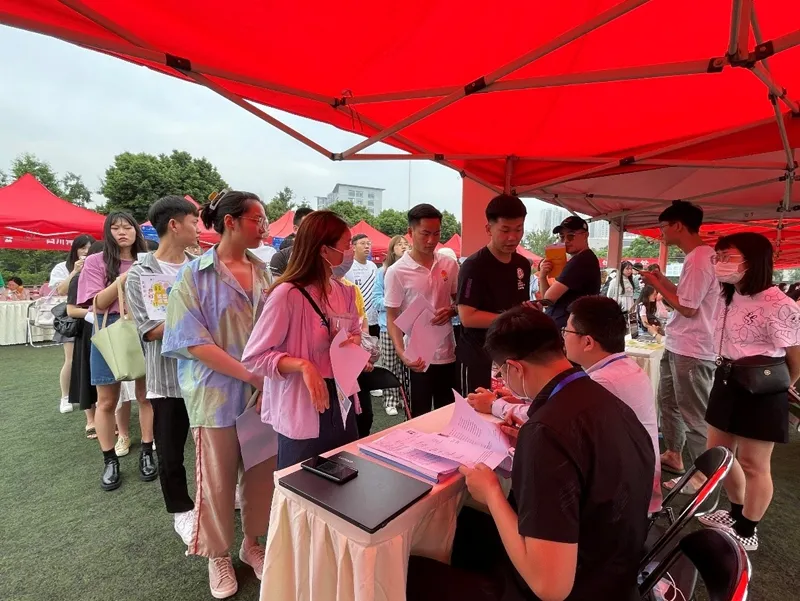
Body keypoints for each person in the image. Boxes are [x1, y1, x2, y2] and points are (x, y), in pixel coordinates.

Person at [407, 306, 654, 601]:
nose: (502, 379)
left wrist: (492, 494)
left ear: (516, 368)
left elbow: (550, 587)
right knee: (466, 526)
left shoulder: (547, 433)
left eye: (501, 372)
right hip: (617, 570)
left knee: (412, 570)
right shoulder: (607, 401)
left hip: (577, 585)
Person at [162, 190, 275, 599]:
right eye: (257, 219)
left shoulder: (264, 273)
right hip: (215, 396)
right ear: (230, 221)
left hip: (263, 396)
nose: (264, 227)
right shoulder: (194, 275)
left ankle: (252, 543)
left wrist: (266, 377)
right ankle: (218, 554)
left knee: (261, 475)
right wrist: (251, 374)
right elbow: (192, 341)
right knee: (217, 480)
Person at [696, 233, 800, 551]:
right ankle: (736, 512)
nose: (720, 263)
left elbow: (796, 358)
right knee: (720, 455)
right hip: (726, 379)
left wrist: (780, 385)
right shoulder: (728, 295)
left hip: (763, 387)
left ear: (753, 260)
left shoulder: (778, 304)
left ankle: (747, 528)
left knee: (754, 463)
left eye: (727, 257)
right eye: (718, 257)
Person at [242, 210, 363, 469]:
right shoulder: (287, 295)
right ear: (324, 250)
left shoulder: (344, 292)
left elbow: (355, 332)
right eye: (346, 245)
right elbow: (254, 357)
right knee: (301, 483)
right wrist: (303, 365)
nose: (350, 252)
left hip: (341, 400)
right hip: (303, 405)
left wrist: (351, 343)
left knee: (346, 477)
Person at [126, 196, 200, 546]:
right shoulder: (140, 274)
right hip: (166, 379)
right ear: (174, 225)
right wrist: (201, 326)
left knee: (216, 444)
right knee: (170, 452)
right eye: (194, 222)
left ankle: (223, 493)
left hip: (206, 375)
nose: (198, 229)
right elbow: (150, 329)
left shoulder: (200, 267)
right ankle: (181, 510)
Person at [640, 200, 719, 486]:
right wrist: (661, 280)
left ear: (678, 226)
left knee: (694, 415)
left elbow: (687, 308)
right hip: (681, 343)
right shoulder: (700, 256)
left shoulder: (698, 259)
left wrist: (656, 285)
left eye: (662, 226)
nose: (660, 232)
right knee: (670, 403)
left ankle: (704, 478)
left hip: (693, 348)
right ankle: (675, 453)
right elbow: (686, 298)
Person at [77, 212, 156, 491]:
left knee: (146, 396)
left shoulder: (149, 260)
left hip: (146, 328)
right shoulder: (95, 261)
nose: (122, 232)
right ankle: (109, 460)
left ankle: (147, 450)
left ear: (136, 231)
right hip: (109, 329)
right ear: (107, 232)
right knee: (107, 401)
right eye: (115, 227)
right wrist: (123, 279)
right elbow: (96, 303)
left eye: (128, 227)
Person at [563, 296, 662, 514]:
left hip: (625, 500)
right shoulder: (624, 366)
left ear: (588, 342)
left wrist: (501, 406)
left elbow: (560, 422)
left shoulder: (603, 381)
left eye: (567, 331)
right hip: (639, 479)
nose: (563, 337)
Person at [384, 204, 459, 416]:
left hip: (448, 351)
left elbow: (459, 301)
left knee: (449, 413)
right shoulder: (397, 272)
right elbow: (392, 316)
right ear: (410, 232)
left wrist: (452, 310)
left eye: (436, 234)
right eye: (425, 233)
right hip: (417, 356)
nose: (431, 240)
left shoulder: (450, 265)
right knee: (419, 415)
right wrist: (402, 353)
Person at [456, 194, 529, 396]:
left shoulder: (522, 265)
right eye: (505, 230)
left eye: (518, 229)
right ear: (489, 229)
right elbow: (467, 317)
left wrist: (527, 312)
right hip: (478, 354)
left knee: (509, 406)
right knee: (475, 408)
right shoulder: (474, 266)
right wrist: (512, 318)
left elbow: (520, 304)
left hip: (511, 353)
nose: (513, 237)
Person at [50, 234, 95, 414]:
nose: (86, 251)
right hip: (71, 319)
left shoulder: (97, 265)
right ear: (75, 249)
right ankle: (65, 396)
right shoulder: (62, 267)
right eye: (82, 248)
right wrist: (75, 271)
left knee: (89, 360)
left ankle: (90, 398)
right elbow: (61, 290)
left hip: (91, 317)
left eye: (89, 248)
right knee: (70, 359)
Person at [67, 240, 104, 437]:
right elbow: (71, 310)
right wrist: (91, 314)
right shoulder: (79, 278)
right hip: (87, 331)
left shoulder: (108, 276)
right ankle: (91, 419)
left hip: (105, 328)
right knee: (87, 374)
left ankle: (106, 417)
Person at [539, 215, 601, 329]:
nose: (566, 241)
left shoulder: (580, 260)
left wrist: (542, 277)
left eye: (571, 236)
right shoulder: (583, 259)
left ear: (585, 235)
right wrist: (543, 276)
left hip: (568, 327)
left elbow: (548, 298)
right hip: (571, 325)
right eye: (562, 237)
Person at [373, 234, 409, 416]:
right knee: (390, 365)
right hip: (388, 326)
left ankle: (404, 398)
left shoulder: (410, 271)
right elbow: (376, 299)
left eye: (406, 244)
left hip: (408, 326)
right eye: (399, 244)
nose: (404, 246)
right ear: (392, 249)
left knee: (406, 365)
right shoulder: (383, 271)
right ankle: (390, 401)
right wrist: (393, 304)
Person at [345, 234, 380, 338]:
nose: (367, 246)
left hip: (374, 319)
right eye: (363, 243)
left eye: (369, 243)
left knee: (373, 346)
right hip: (356, 319)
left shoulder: (373, 266)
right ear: (353, 247)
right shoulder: (348, 266)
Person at [269, 207, 314, 277]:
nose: (313, 231)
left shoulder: (324, 257)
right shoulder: (280, 258)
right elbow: (277, 283)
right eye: (308, 227)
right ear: (295, 229)